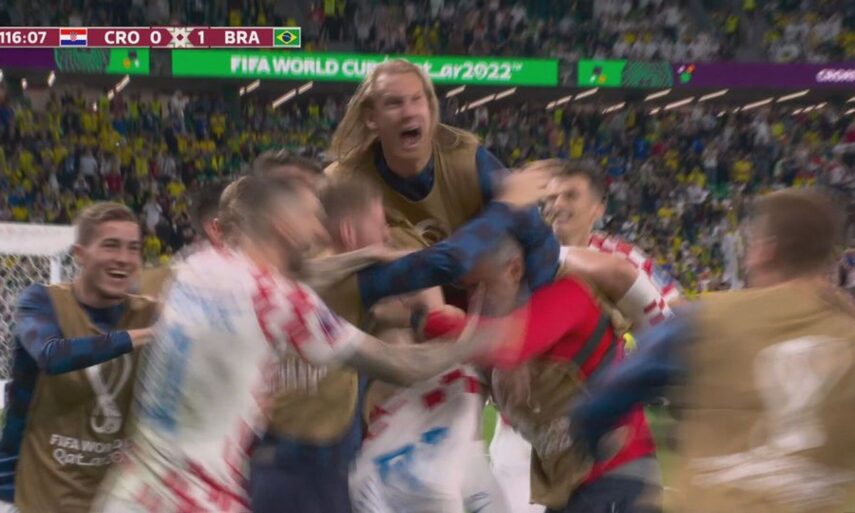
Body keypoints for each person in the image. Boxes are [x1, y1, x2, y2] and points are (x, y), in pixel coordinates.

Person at [92, 175, 522, 513]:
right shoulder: (286, 303)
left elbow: (298, 275)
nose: (319, 229)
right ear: (283, 226)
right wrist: (478, 338)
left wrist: (365, 255)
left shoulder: (197, 267)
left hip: (131, 491)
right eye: (311, 218)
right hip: (198, 500)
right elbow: (402, 365)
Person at [571, 189, 855, 513]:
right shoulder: (848, 337)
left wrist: (601, 442)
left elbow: (600, 405)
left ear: (766, 250)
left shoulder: (705, 321)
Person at [419, 234, 660, 513]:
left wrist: (429, 317)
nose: (476, 299)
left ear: (514, 270)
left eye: (482, 285)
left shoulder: (570, 293)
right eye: (470, 289)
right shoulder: (500, 321)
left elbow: (510, 343)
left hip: (618, 476)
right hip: (572, 486)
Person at [492, 159, 678, 513]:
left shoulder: (622, 259)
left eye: (571, 195)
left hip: (598, 429)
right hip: (524, 434)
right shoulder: (517, 258)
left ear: (598, 208)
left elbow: (670, 317)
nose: (558, 204)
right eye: (551, 198)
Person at [326, 59, 559, 311]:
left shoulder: (469, 160)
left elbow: (540, 241)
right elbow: (332, 273)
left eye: (417, 100)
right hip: (396, 304)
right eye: (394, 103)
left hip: (483, 300)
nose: (409, 112)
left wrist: (528, 314)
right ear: (371, 118)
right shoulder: (343, 180)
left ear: (430, 108)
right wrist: (503, 208)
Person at [0, 203, 156, 513]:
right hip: (24, 495)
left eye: (133, 248)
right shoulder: (40, 301)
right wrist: (146, 334)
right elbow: (51, 355)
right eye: (111, 245)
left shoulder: (150, 312)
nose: (123, 258)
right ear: (80, 254)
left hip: (106, 500)